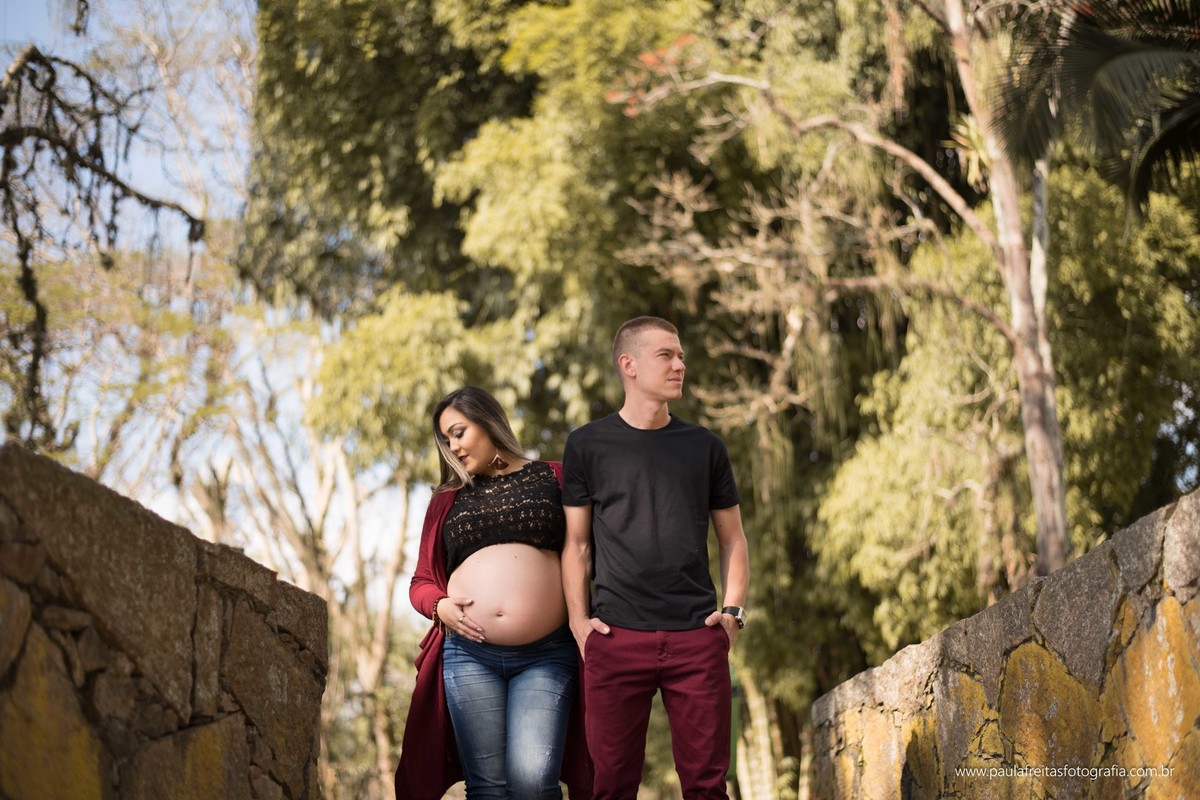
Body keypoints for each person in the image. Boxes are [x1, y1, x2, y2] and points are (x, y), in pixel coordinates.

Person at [561, 316, 750, 800]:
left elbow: (732, 539)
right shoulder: (587, 445)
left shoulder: (705, 447)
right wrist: (580, 622)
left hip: (697, 637)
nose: (679, 364)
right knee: (611, 788)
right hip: (615, 637)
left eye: (680, 355)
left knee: (708, 788)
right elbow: (577, 545)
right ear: (629, 364)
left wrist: (732, 612)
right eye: (666, 355)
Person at [395, 386, 593, 800]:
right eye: (446, 440)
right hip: (468, 655)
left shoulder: (554, 476)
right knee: (487, 788)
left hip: (548, 653)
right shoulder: (447, 499)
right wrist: (440, 606)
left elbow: (587, 551)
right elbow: (420, 583)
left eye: (459, 432)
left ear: (486, 421)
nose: (453, 446)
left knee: (534, 783)